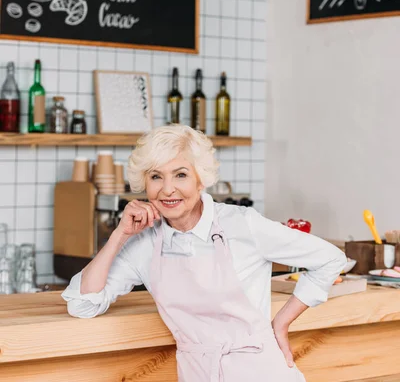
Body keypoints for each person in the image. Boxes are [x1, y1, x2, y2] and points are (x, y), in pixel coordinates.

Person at [62, 124, 346, 381]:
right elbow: (83, 303)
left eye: (181, 175)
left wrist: (281, 323)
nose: (168, 189)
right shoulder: (145, 243)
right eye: (156, 177)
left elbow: (330, 259)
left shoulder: (242, 224)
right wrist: (119, 235)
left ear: (201, 179)